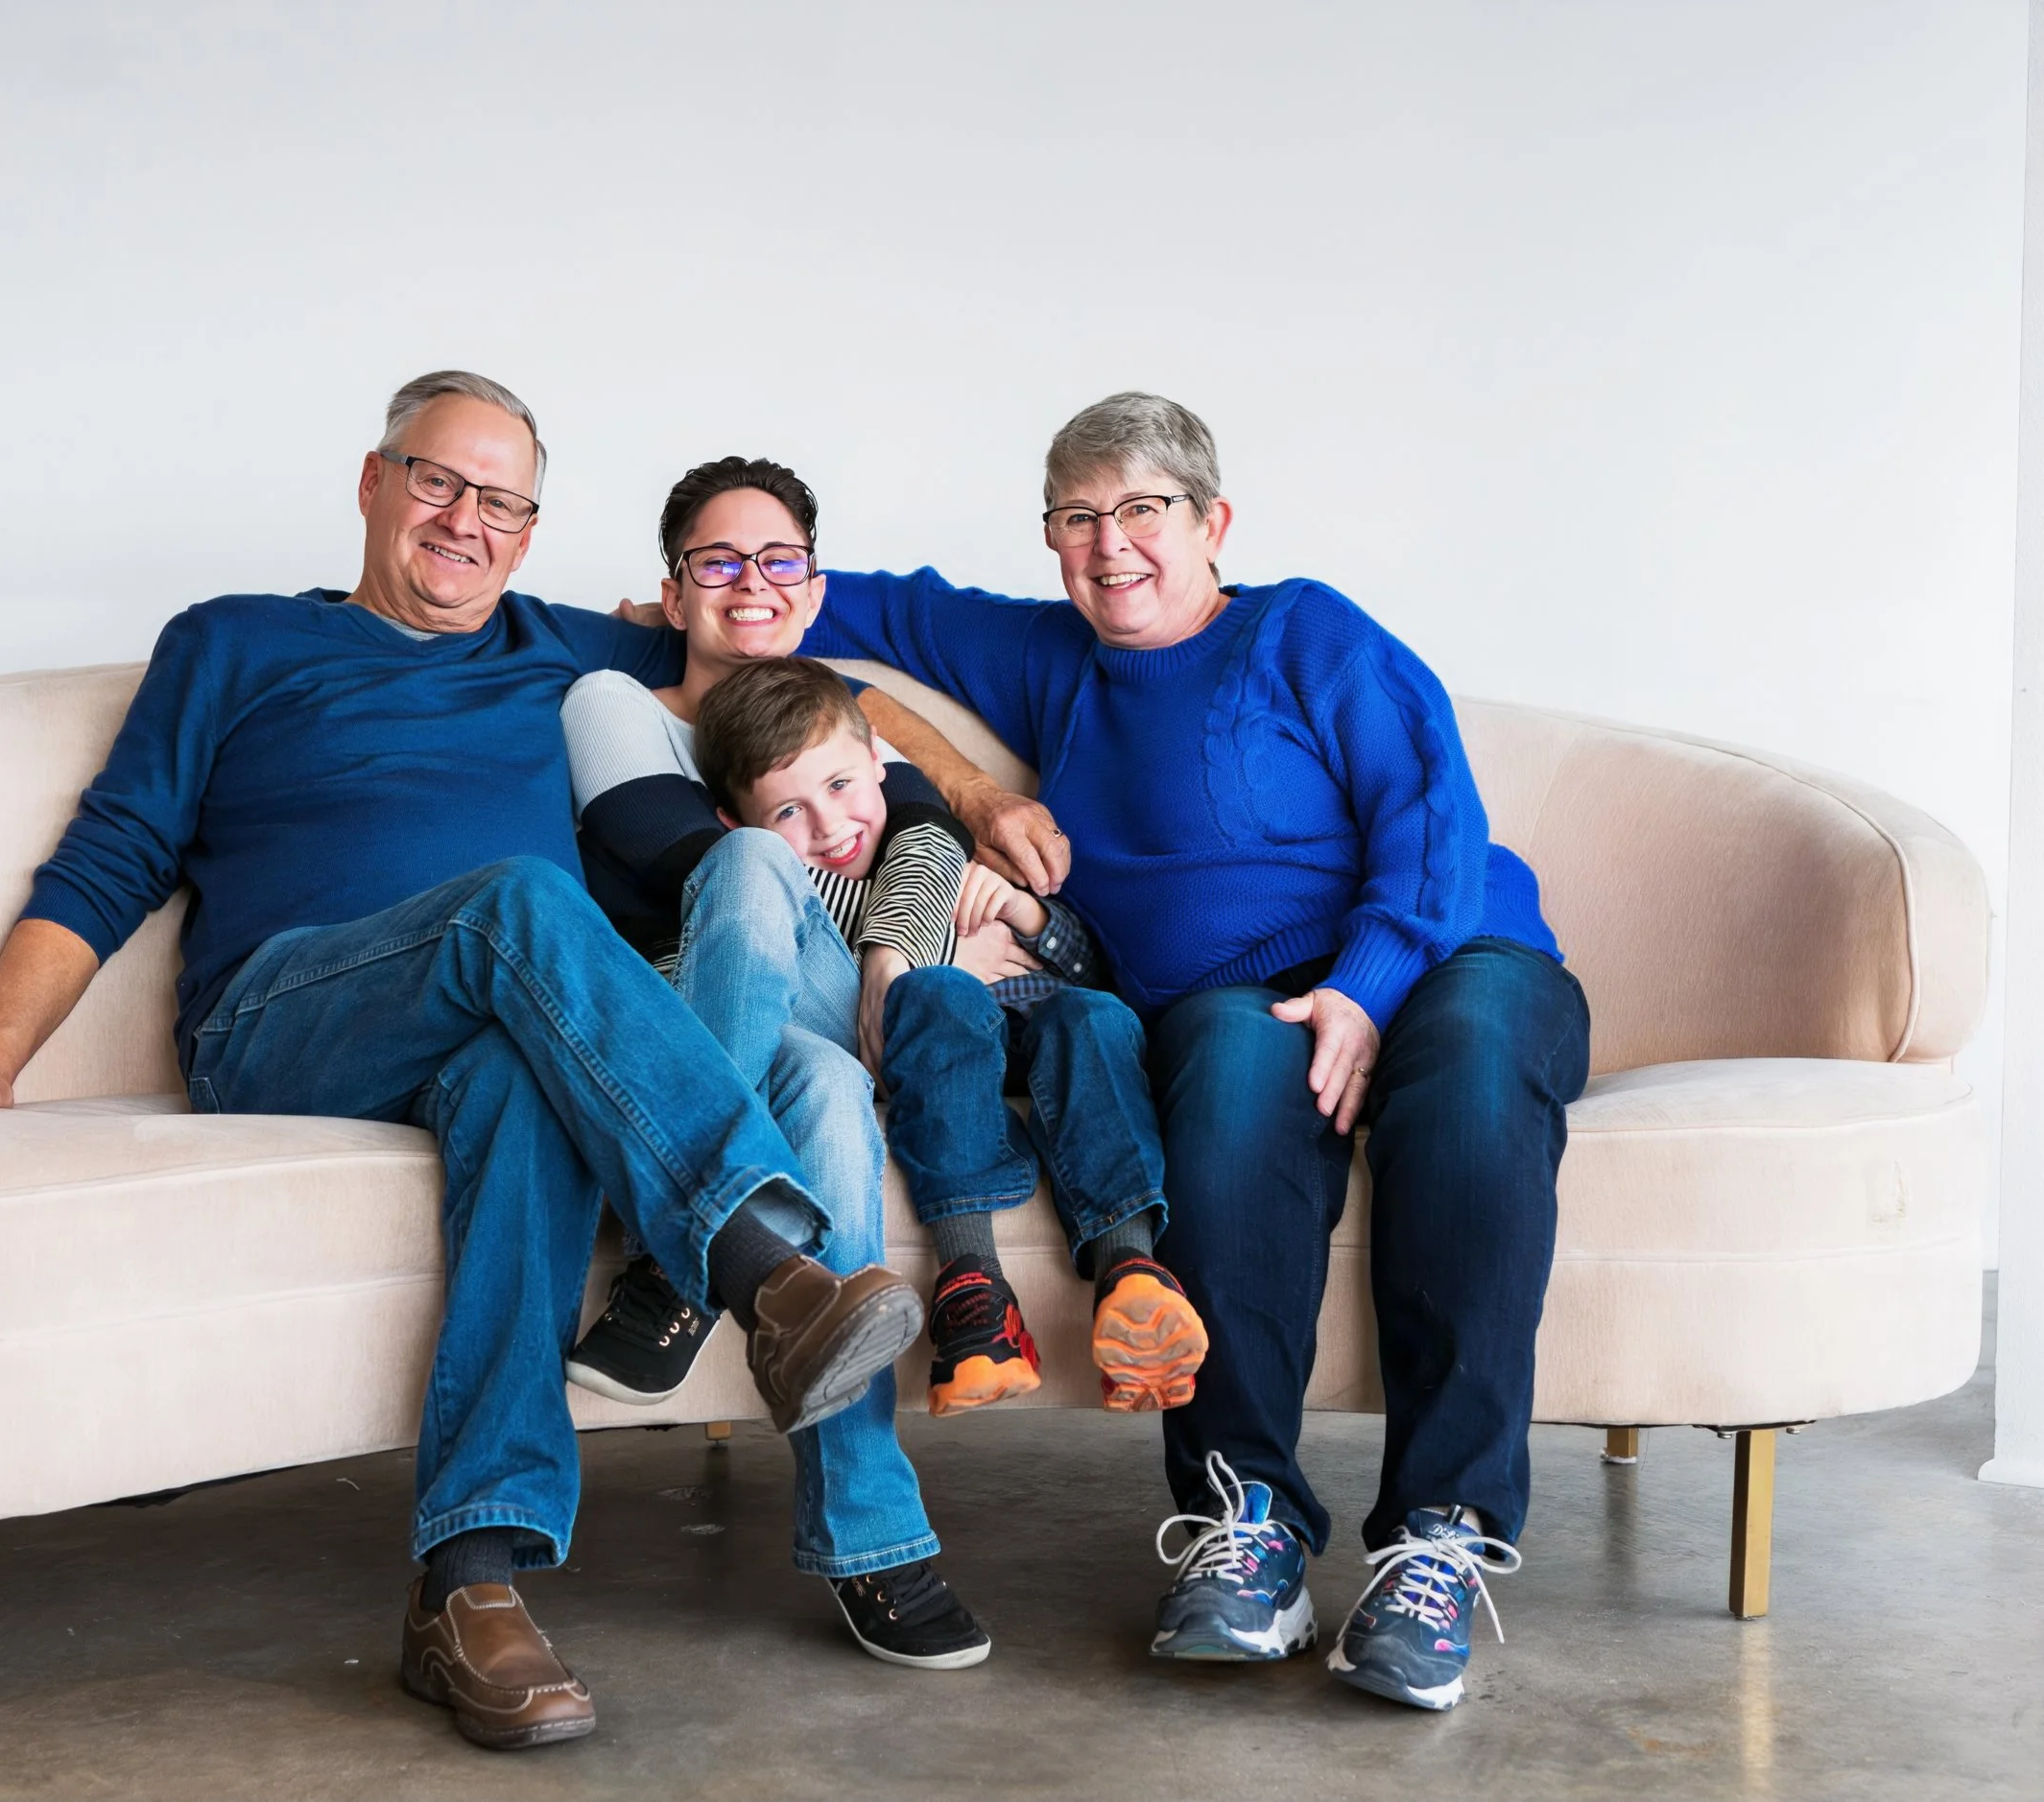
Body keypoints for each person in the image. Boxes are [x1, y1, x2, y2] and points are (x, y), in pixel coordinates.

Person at [0, 373, 1033, 1748]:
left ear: (531, 532)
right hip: (288, 1016)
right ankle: (764, 1262)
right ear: (372, 481)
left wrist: (984, 800)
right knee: (521, 898)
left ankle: (469, 1586)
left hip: (486, 1030)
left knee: (550, 1086)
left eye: (503, 501)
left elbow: (816, 683)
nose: (466, 521)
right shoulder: (232, 642)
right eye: (437, 482)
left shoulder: (560, 648)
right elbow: (113, 852)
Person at [797, 391, 1592, 1713]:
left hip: (1444, 953)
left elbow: (1432, 809)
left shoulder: (1304, 631)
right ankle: (1250, 1523)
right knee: (1218, 1080)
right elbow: (867, 608)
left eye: (1143, 510)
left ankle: (1438, 1539)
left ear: (1214, 522)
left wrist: (1367, 985)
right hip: (1233, 1001)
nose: (1111, 544)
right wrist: (682, 602)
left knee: (1467, 1083)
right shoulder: (1056, 659)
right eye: (1078, 516)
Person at [555, 457, 992, 1668]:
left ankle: (688, 1269)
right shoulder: (615, 701)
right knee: (831, 1079)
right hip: (673, 1000)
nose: (751, 583)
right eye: (718, 560)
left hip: (823, 986)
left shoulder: (835, 717)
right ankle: (874, 1537)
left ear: (811, 587)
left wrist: (895, 957)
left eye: (778, 560)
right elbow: (674, 848)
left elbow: (929, 840)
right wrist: (895, 903)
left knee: (813, 974)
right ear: (673, 589)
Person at [692, 655, 1207, 1418]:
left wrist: (1024, 911)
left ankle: (1131, 1267)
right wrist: (948, 955)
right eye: (789, 813)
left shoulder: (939, 850)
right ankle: (974, 1289)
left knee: (1094, 1018)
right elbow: (861, 1000)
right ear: (741, 828)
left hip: (1044, 1033)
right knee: (935, 995)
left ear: (878, 766)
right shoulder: (795, 896)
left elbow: (1090, 969)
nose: (830, 827)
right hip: (944, 1052)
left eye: (839, 787)